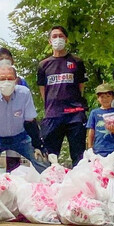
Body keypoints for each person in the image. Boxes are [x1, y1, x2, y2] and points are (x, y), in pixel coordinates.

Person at [0, 64, 49, 172]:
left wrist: (38, 145)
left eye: (10, 78)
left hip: (21, 138)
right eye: (2, 79)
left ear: (16, 81)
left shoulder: (24, 93)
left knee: (42, 161)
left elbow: (30, 122)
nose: (6, 82)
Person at [37, 26, 88, 165]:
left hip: (75, 115)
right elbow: (43, 91)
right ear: (49, 41)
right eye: (54, 36)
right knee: (49, 157)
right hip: (53, 115)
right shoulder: (43, 65)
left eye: (61, 36)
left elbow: (81, 87)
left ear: (66, 39)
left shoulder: (77, 62)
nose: (58, 39)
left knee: (79, 157)